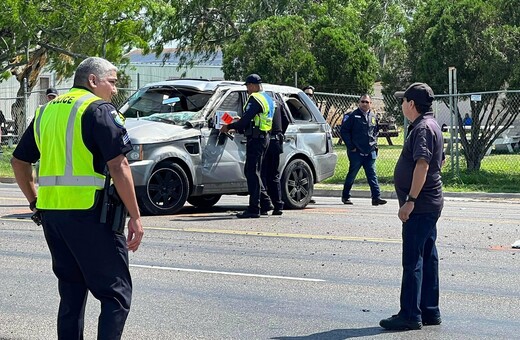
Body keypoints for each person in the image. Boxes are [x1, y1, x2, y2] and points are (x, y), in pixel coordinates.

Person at [11, 56, 144, 339]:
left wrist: (35, 201)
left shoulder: (46, 111)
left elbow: (18, 162)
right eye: (112, 82)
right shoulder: (98, 109)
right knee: (115, 295)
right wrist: (135, 215)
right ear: (93, 81)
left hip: (53, 217)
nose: (115, 90)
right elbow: (119, 165)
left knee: (71, 294)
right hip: (91, 215)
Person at [379, 82, 444, 331]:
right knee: (428, 256)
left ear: (412, 104)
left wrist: (411, 201)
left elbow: (422, 165)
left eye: (404, 101)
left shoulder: (422, 129)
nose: (402, 105)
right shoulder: (431, 124)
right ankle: (429, 311)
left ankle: (409, 314)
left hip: (421, 205)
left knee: (413, 260)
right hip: (430, 202)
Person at [220, 73, 274, 218]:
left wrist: (229, 126)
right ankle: (265, 203)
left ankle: (254, 208)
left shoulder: (255, 98)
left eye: (248, 86)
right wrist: (241, 120)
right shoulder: (267, 98)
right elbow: (253, 118)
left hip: (256, 139)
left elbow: (244, 123)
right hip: (264, 137)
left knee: (251, 172)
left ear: (253, 85)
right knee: (254, 171)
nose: (248, 89)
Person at [339, 95, 387, 206]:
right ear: (359, 103)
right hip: (356, 152)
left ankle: (376, 197)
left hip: (370, 151)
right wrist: (351, 146)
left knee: (372, 174)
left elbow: (375, 131)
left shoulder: (373, 116)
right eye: (362, 101)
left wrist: (374, 144)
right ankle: (345, 196)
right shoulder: (352, 116)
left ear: (371, 103)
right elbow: (344, 131)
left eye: (367, 102)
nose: (365, 104)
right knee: (352, 174)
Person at [260, 95, 286, 216]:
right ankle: (278, 205)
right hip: (276, 142)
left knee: (262, 174)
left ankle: (264, 206)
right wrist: (280, 133)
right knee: (274, 175)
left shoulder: (260, 102)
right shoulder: (277, 103)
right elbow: (286, 120)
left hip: (265, 141)